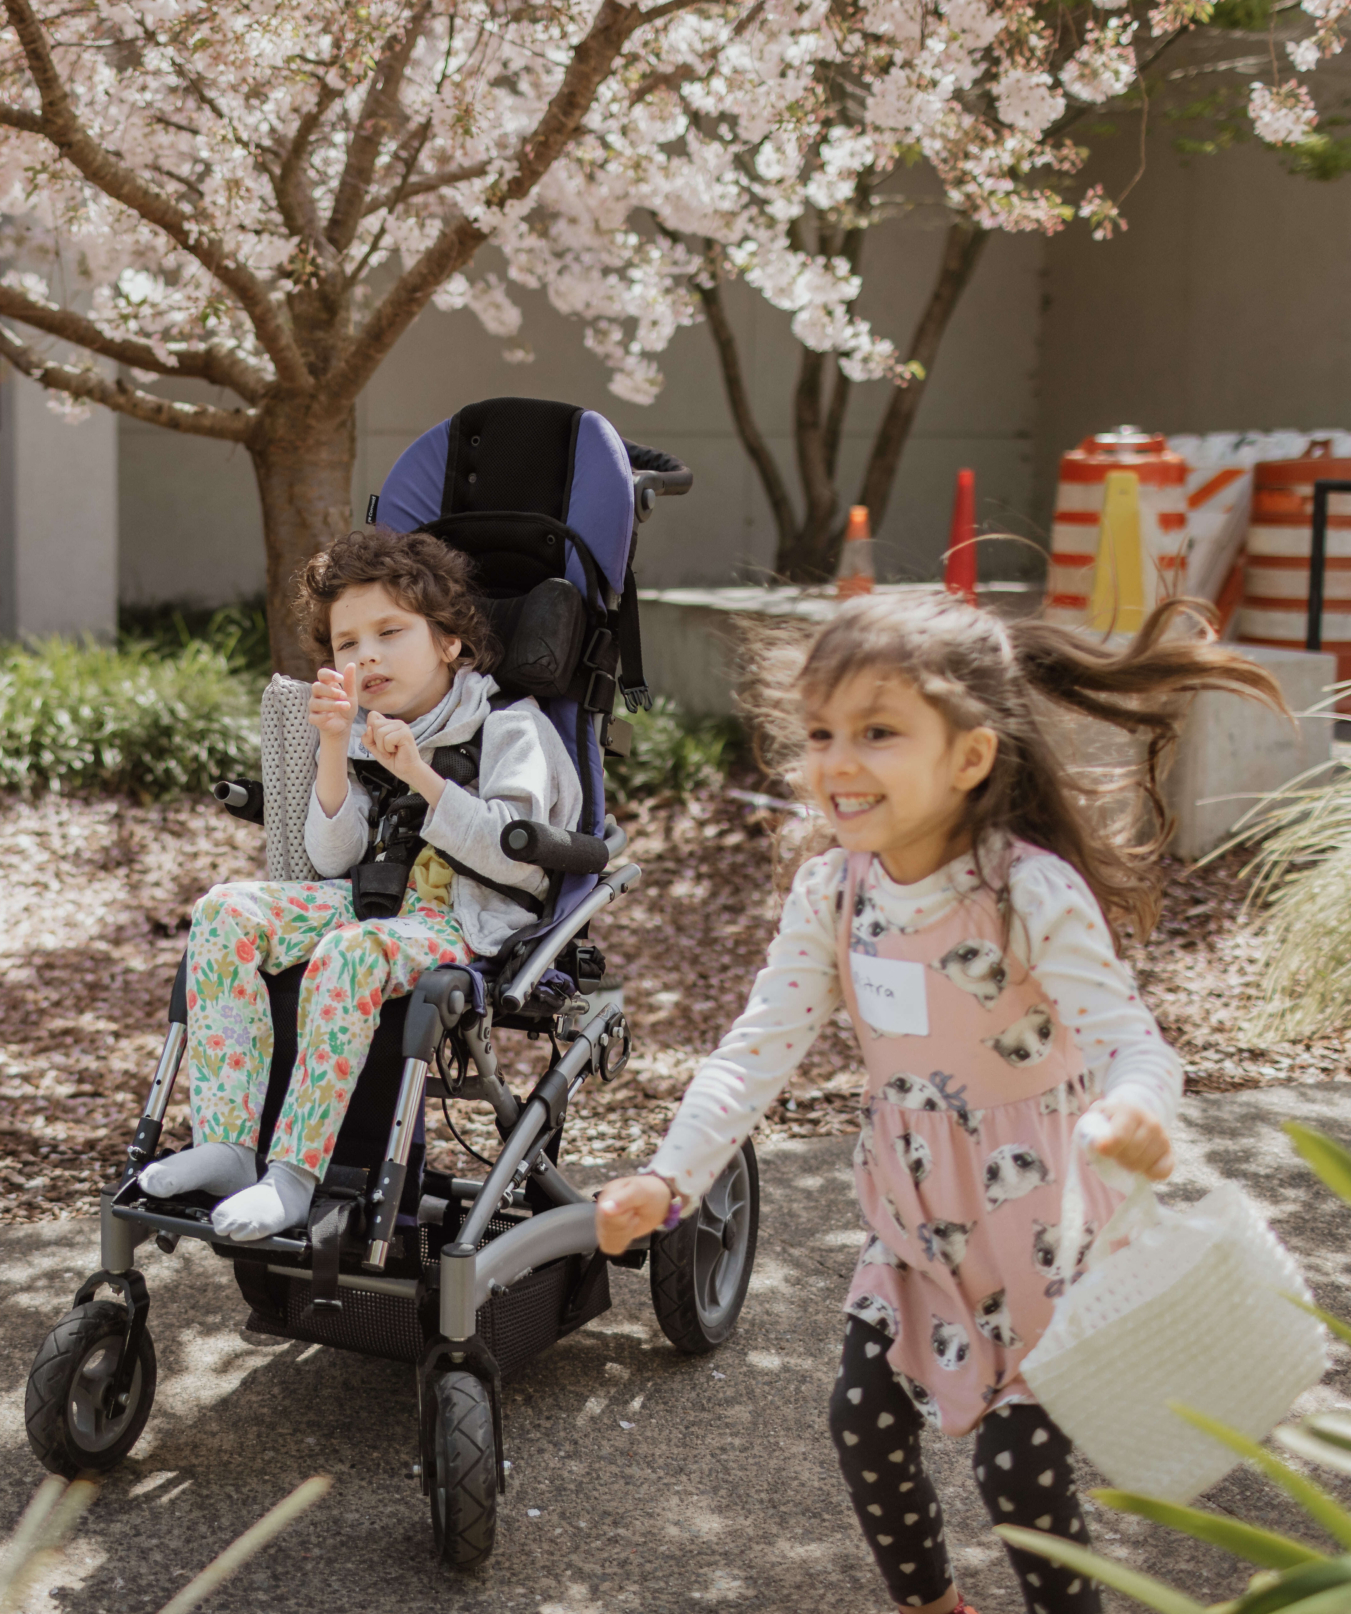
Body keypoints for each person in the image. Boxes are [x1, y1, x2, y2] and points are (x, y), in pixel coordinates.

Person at [594, 593, 1283, 1614]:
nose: (837, 760)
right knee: (863, 1419)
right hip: (917, 1224)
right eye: (822, 732)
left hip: (1045, 1232)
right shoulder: (834, 891)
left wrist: (1137, 1106)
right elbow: (753, 1051)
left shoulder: (1027, 891)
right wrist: (669, 1172)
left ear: (967, 757)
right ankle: (931, 1607)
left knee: (1018, 1477)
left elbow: (1133, 1039)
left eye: (877, 732)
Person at [139, 527, 582, 1240]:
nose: (366, 654)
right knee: (225, 910)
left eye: (390, 632)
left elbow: (517, 856)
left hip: (464, 922)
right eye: (347, 644)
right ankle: (224, 1147)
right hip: (373, 900)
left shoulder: (508, 727)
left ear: (451, 643)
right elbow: (331, 856)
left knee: (350, 952)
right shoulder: (374, 728)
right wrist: (336, 751)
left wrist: (420, 776)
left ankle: (293, 1174)